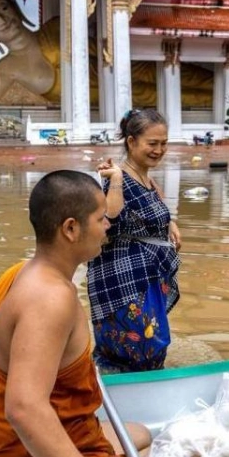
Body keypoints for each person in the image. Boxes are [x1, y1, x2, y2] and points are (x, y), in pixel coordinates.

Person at [0, 170, 196, 457]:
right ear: (70, 229)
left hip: (9, 449)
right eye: (100, 218)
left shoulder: (21, 272)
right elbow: (22, 408)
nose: (108, 226)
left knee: (139, 433)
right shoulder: (50, 299)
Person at [87, 109, 182, 372]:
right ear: (131, 142)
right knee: (136, 342)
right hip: (123, 279)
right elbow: (109, 221)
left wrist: (170, 223)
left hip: (146, 276)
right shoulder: (117, 177)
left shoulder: (146, 178)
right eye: (152, 143)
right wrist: (116, 178)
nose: (159, 150)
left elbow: (156, 208)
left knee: (154, 338)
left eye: (164, 143)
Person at [0, 0, 56, 106]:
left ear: (15, 8)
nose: (2, 20)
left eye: (3, 8)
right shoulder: (7, 67)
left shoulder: (54, 29)